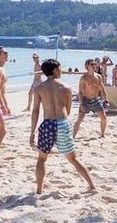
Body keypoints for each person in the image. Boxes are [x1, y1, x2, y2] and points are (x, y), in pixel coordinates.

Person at [29, 58, 96, 194]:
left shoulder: (39, 88)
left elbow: (35, 110)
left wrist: (32, 131)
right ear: (54, 70)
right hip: (62, 122)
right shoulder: (66, 88)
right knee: (72, 158)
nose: (61, 71)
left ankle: (39, 190)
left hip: (48, 123)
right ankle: (91, 185)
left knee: (42, 159)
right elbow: (68, 110)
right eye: (60, 68)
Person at [73, 58, 110, 138]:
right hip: (85, 101)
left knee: (104, 118)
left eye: (95, 64)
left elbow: (103, 90)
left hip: (96, 100)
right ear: (87, 66)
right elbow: (80, 92)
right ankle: (72, 137)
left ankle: (102, 135)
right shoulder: (83, 78)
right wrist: (82, 103)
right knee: (79, 120)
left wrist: (106, 100)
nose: (94, 66)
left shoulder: (99, 77)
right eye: (92, 64)